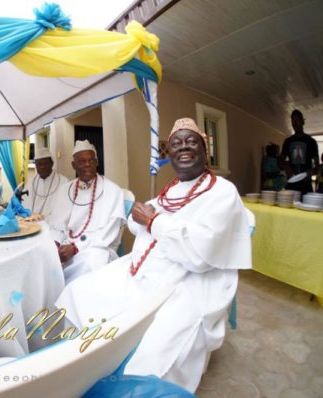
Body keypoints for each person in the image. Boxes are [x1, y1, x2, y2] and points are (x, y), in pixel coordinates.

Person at [55, 118, 252, 392]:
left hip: (191, 282)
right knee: (78, 292)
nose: (183, 148)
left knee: (155, 352)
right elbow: (140, 219)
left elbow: (200, 251)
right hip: (145, 271)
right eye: (175, 144)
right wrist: (146, 219)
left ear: (205, 150)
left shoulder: (221, 191)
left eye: (191, 141)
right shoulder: (171, 189)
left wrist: (153, 222)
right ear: (168, 154)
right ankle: (87, 360)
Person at [47, 140, 127, 284]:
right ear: (74, 165)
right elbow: (56, 225)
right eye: (82, 161)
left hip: (97, 247)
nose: (87, 164)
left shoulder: (113, 190)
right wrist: (56, 244)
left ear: (96, 162)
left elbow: (109, 232)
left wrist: (76, 248)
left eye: (91, 160)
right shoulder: (65, 190)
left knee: (93, 261)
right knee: (44, 255)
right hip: (65, 245)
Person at [21, 147, 68, 219]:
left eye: (45, 163)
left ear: (52, 164)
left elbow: (65, 207)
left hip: (53, 223)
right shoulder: (31, 182)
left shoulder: (64, 182)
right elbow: (24, 203)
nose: (42, 167)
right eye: (39, 164)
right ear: (36, 166)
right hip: (32, 222)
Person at [280, 110, 319, 195]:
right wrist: (286, 166)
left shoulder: (311, 142)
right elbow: (280, 161)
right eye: (293, 121)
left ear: (302, 121)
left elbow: (317, 167)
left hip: (306, 186)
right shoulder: (288, 141)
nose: (294, 123)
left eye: (297, 120)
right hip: (291, 183)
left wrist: (311, 172)